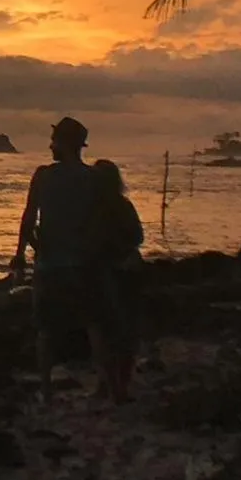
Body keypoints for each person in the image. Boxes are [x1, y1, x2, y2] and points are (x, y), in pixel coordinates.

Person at [9, 116, 114, 403]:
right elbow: (102, 221)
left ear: (63, 144)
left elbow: (29, 217)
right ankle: (104, 384)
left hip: (50, 264)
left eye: (54, 140)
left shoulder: (43, 176)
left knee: (46, 329)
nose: (50, 146)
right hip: (84, 263)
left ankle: (46, 390)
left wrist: (21, 253)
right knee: (94, 324)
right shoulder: (94, 179)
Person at [90, 158, 144, 404]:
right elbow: (137, 237)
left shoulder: (92, 210)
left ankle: (110, 385)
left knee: (104, 332)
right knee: (123, 332)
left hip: (105, 272)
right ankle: (117, 385)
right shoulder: (123, 205)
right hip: (124, 271)